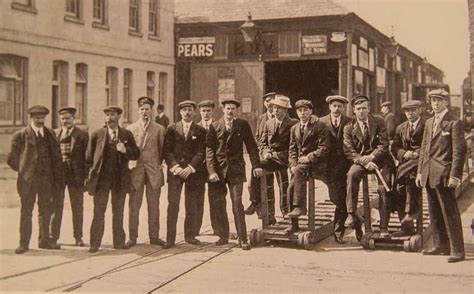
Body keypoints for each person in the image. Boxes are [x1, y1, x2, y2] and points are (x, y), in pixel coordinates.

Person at [416, 89, 467, 263]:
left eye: (439, 100)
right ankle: (440, 245)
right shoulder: (429, 122)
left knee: (449, 211)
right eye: (433, 100)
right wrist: (420, 172)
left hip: (445, 174)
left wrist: (455, 175)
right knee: (434, 211)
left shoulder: (454, 122)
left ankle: (458, 250)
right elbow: (424, 148)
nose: (436, 104)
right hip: (429, 173)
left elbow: (459, 152)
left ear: (446, 102)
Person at [8, 105, 64, 254]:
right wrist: (24, 171)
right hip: (28, 182)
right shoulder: (20, 136)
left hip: (47, 181)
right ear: (31, 118)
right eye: (37, 118)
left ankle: (44, 241)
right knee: (26, 211)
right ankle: (23, 243)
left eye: (42, 118)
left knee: (45, 211)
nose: (40, 120)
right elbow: (11, 159)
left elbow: (56, 157)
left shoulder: (50, 134)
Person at [206, 98, 261, 250]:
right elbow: (209, 150)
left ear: (236, 111)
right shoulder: (215, 125)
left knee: (237, 203)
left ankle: (243, 238)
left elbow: (251, 146)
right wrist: (211, 171)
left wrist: (256, 165)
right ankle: (223, 236)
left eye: (233, 109)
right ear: (222, 110)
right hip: (219, 171)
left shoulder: (242, 125)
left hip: (236, 170)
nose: (230, 111)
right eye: (227, 108)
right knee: (219, 203)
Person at [86, 106, 140, 253]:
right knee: (99, 211)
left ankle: (119, 242)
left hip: (119, 180)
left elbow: (136, 154)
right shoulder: (97, 135)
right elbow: (89, 158)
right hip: (102, 180)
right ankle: (95, 243)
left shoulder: (126, 135)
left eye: (113, 115)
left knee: (119, 211)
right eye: (107, 115)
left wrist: (125, 150)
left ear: (119, 117)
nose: (109, 118)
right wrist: (91, 177)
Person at [343, 95, 391, 240]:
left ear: (369, 109)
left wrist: (372, 157)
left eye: (364, 108)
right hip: (361, 161)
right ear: (354, 111)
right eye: (358, 109)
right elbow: (349, 150)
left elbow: (384, 144)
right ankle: (351, 214)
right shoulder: (349, 127)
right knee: (351, 175)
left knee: (384, 188)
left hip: (380, 160)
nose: (361, 112)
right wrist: (363, 161)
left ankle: (384, 227)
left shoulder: (379, 121)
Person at [162, 100, 207, 249]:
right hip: (175, 173)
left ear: (193, 112)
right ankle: (170, 239)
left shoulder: (200, 131)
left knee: (191, 204)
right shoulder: (171, 129)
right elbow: (166, 151)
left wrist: (190, 167)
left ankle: (190, 236)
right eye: (184, 110)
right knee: (173, 205)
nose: (187, 112)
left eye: (189, 110)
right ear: (180, 112)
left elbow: (201, 152)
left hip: (192, 173)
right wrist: (175, 167)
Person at [250, 95, 298, 224]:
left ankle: (288, 212)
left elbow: (295, 146)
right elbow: (262, 142)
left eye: (279, 109)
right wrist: (265, 151)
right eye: (274, 107)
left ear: (286, 111)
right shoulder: (268, 123)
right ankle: (255, 202)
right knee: (257, 165)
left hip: (287, 159)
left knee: (286, 185)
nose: (275, 111)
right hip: (271, 159)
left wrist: (275, 155)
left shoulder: (293, 123)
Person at [126, 97, 166, 247]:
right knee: (134, 205)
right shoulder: (130, 129)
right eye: (142, 109)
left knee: (154, 206)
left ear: (152, 111)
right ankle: (132, 237)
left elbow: (163, 151)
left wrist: (159, 165)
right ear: (138, 111)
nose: (144, 112)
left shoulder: (159, 129)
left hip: (153, 173)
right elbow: (129, 151)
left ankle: (154, 237)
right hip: (136, 172)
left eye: (147, 109)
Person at [286, 100, 330, 233]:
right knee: (290, 189)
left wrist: (309, 157)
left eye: (305, 110)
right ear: (296, 112)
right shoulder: (294, 128)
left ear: (311, 111)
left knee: (298, 172)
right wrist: (292, 164)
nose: (303, 113)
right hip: (300, 166)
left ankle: (300, 207)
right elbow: (292, 149)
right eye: (300, 110)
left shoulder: (319, 126)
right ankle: (293, 224)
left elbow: (324, 148)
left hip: (317, 164)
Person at [51, 107, 89, 247]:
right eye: (62, 119)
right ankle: (53, 236)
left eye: (68, 118)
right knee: (56, 206)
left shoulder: (82, 135)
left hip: (76, 176)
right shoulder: (55, 133)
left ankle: (78, 237)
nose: (65, 121)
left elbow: (87, 158)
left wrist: (86, 177)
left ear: (74, 119)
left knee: (77, 207)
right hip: (59, 175)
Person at [319, 95, 352, 243]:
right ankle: (354, 219)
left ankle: (339, 231)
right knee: (337, 198)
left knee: (343, 196)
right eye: (334, 106)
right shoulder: (321, 122)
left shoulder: (349, 122)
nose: (337, 109)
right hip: (327, 166)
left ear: (343, 108)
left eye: (340, 106)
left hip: (345, 165)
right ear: (329, 107)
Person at [391, 100, 425, 237]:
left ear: (419, 110)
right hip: (405, 162)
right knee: (399, 188)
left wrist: (417, 152)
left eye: (413, 110)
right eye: (407, 111)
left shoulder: (426, 125)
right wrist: (404, 153)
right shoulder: (401, 128)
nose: (409, 114)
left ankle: (410, 213)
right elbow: (394, 147)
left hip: (420, 162)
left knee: (411, 179)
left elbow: (430, 144)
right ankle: (406, 226)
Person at [197, 100, 229, 241]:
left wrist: (214, 169)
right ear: (199, 112)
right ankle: (195, 228)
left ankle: (218, 228)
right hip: (198, 169)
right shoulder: (195, 127)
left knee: (216, 199)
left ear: (213, 112)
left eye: (208, 111)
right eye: (203, 111)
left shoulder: (218, 126)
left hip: (215, 169)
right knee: (197, 199)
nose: (206, 113)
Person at [245, 92, 276, 216]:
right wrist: (262, 151)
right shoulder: (261, 118)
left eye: (273, 101)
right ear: (264, 103)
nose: (270, 103)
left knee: (282, 186)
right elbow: (258, 137)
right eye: (268, 101)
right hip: (264, 155)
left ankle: (285, 212)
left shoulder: (283, 116)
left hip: (279, 156)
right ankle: (262, 210)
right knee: (261, 182)